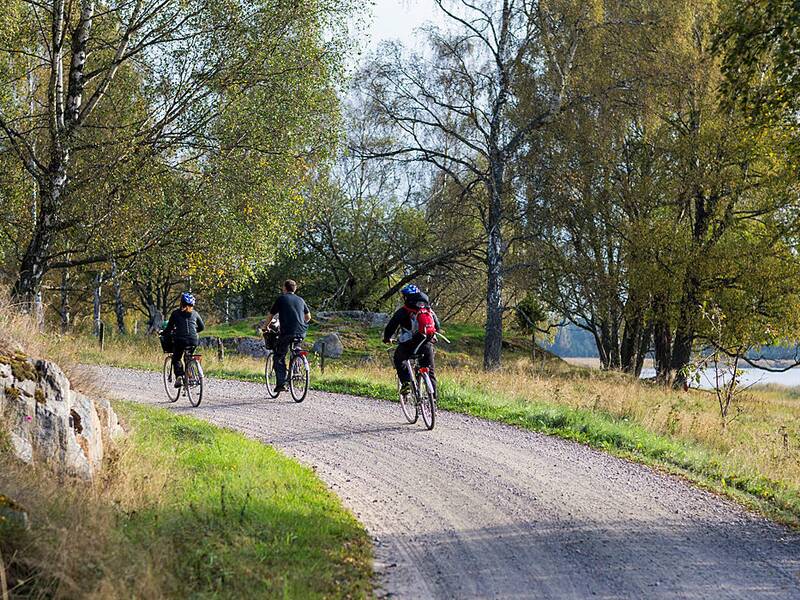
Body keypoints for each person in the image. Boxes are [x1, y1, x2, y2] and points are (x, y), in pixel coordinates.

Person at [383, 284, 441, 396]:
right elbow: (437, 326)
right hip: (426, 344)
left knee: (398, 359)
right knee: (429, 371)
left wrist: (387, 338)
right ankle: (433, 400)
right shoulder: (428, 310)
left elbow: (391, 326)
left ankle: (406, 383)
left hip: (409, 345)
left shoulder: (403, 311)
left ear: (406, 297)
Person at [264, 279, 311, 392]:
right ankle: (297, 368)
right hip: (301, 331)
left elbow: (271, 315)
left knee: (279, 356)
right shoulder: (300, 300)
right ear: (294, 289)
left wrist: (266, 327)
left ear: (285, 288)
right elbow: (308, 317)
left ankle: (281, 383)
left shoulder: (281, 299)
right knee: (296, 349)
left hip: (286, 332)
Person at [164, 292, 205, 387]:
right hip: (194, 340)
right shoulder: (195, 314)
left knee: (176, 358)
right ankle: (190, 375)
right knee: (188, 357)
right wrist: (194, 331)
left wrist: (163, 332)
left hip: (180, 340)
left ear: (181, 303)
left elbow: (169, 328)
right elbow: (202, 327)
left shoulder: (175, 314)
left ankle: (179, 376)